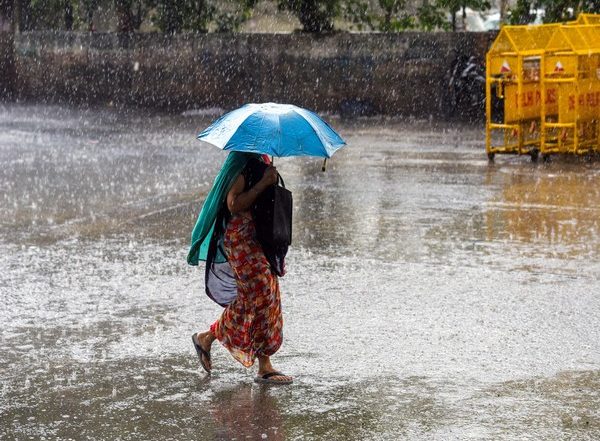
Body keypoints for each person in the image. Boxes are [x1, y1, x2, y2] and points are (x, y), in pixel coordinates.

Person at [187, 152, 293, 385]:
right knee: (259, 294)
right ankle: (208, 337)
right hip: (241, 240)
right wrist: (264, 183)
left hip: (260, 238)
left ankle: (263, 364)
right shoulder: (241, 162)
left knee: (268, 296)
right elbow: (233, 203)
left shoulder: (261, 161)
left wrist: (269, 177)